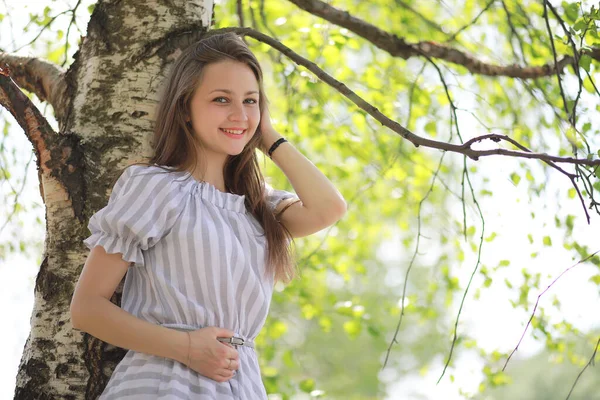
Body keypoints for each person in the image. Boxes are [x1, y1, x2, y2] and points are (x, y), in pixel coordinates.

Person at [69, 32, 347, 399]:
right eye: (221, 100)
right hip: (162, 385)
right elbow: (86, 309)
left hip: (241, 386)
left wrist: (268, 137)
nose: (239, 114)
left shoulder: (258, 206)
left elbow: (330, 208)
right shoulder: (155, 186)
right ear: (185, 107)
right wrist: (186, 347)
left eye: (250, 100)